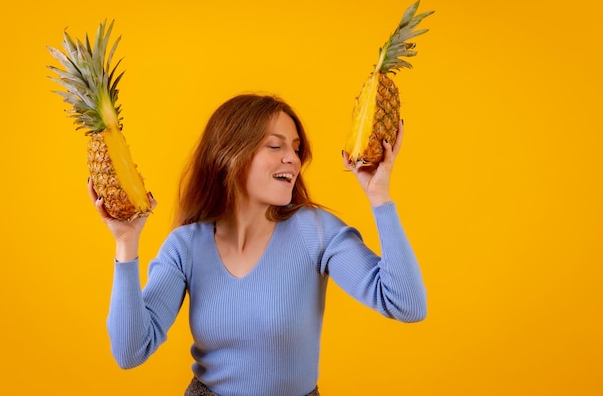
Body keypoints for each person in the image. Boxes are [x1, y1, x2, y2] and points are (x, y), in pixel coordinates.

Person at [89, 94, 426, 396]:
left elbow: (405, 304)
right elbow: (130, 351)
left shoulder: (314, 231)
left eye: (295, 148)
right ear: (230, 154)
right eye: (275, 146)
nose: (293, 159)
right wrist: (126, 243)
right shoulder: (186, 246)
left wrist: (379, 195)